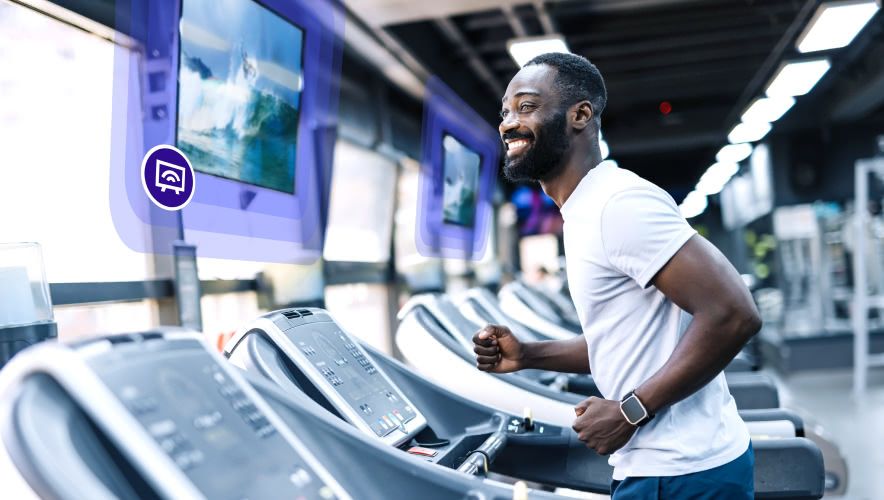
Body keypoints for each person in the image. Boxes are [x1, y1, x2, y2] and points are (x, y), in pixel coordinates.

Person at [473, 52, 761, 499]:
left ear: (580, 115)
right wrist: (529, 354)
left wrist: (629, 411)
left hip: (681, 474)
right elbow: (629, 339)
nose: (508, 122)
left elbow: (734, 313)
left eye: (526, 107)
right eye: (505, 112)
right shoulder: (585, 212)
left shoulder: (618, 205)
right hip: (667, 467)